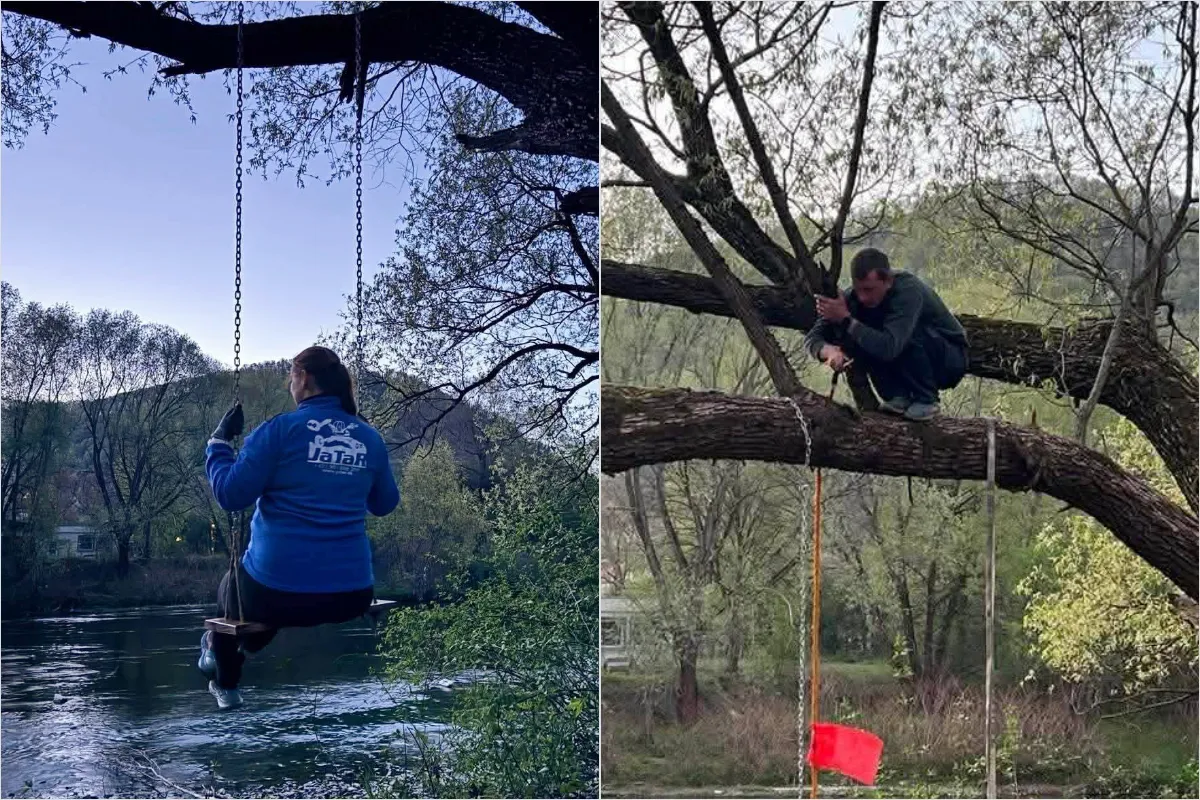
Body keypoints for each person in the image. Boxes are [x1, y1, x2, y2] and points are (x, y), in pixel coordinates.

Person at [198, 346, 400, 710]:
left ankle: (226, 682)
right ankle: (224, 653)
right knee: (267, 600)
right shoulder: (369, 438)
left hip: (275, 593)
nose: (290, 384)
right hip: (351, 594)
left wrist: (218, 444)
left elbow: (230, 494)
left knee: (233, 590)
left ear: (303, 378)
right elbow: (384, 504)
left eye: (291, 377)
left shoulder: (278, 431)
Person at [805, 248, 968, 420]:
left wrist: (846, 320)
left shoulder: (908, 290)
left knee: (891, 333)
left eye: (869, 290)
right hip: (904, 361)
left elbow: (890, 347)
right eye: (858, 289)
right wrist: (829, 352)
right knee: (863, 334)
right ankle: (897, 396)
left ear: (888, 281)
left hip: (949, 359)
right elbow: (813, 338)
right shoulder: (852, 298)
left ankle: (926, 399)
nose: (862, 297)